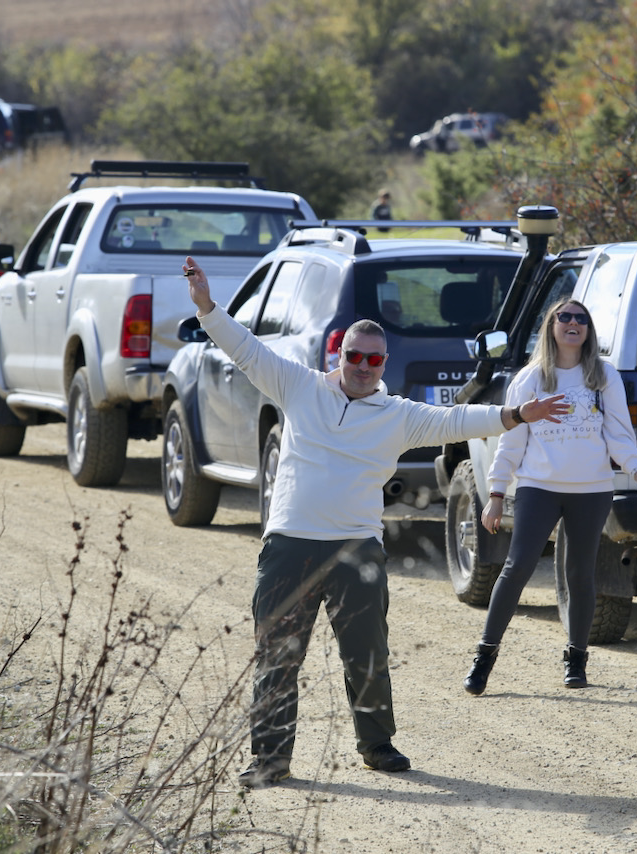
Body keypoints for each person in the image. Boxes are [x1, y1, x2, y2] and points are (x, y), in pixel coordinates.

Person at [181, 256, 569, 789]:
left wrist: (517, 415)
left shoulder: (398, 415)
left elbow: (457, 419)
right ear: (338, 355)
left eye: (375, 359)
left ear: (385, 364)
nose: (364, 366)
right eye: (355, 356)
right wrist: (206, 306)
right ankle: (269, 760)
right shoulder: (301, 387)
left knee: (366, 653)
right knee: (277, 655)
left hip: (356, 548)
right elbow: (245, 349)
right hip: (289, 544)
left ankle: (377, 746)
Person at [463, 299, 637, 695]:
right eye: (564, 317)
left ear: (588, 330)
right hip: (539, 487)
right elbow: (511, 440)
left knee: (580, 574)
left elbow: (619, 433)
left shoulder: (604, 375)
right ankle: (484, 658)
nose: (573, 323)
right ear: (551, 326)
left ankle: (576, 659)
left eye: (581, 319)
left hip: (591, 490)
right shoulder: (530, 379)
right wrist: (497, 493)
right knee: (516, 568)